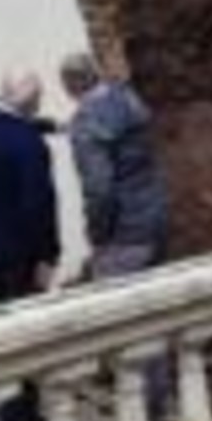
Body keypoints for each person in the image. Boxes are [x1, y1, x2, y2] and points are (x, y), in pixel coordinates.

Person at [0, 69, 61, 421]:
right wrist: (48, 255)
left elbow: (3, 147)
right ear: (30, 100)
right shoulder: (28, 145)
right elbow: (39, 205)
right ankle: (22, 412)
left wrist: (38, 127)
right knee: (24, 331)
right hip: (23, 253)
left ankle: (7, 402)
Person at [60, 53, 168, 278]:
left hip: (124, 235)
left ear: (69, 87)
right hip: (155, 219)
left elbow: (100, 190)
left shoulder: (86, 127)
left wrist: (97, 234)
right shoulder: (127, 99)